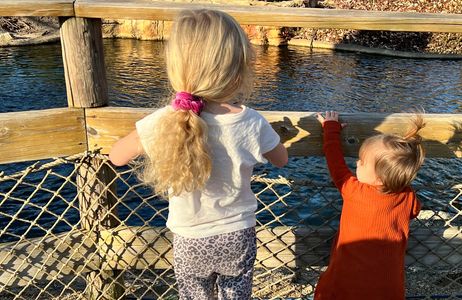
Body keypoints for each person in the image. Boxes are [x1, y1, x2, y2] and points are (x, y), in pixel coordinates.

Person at [108, 9, 288, 300]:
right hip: (237, 235)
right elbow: (281, 159)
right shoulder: (250, 120)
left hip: (190, 238)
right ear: (238, 69)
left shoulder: (166, 119)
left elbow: (117, 156)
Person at [314, 111, 423, 300]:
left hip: (346, 283)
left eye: (362, 162)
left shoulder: (353, 190)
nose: (357, 163)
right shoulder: (408, 197)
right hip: (388, 288)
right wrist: (399, 183)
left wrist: (331, 128)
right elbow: (415, 211)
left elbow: (335, 160)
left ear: (379, 177)